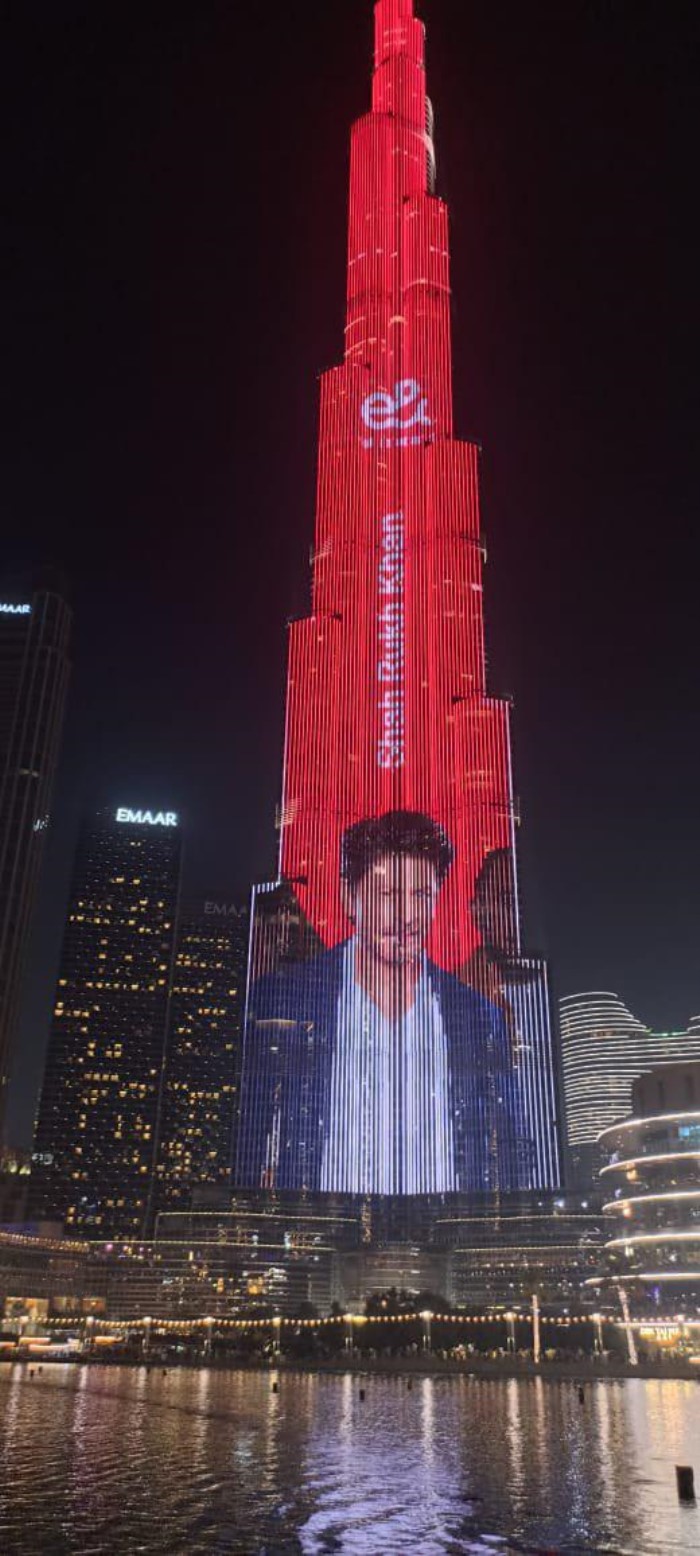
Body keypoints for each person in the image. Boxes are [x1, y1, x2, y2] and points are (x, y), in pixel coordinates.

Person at [237, 811, 526, 1195]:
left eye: (421, 895)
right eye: (386, 894)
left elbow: (511, 1144)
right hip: (319, 1231)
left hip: (444, 1235)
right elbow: (248, 1132)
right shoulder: (282, 996)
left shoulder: (478, 1014)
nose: (406, 916)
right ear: (348, 897)